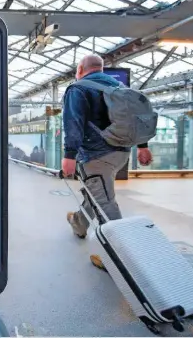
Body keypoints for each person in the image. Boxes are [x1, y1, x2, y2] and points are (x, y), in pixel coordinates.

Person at [61, 54, 153, 271]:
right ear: (101, 69)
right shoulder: (119, 87)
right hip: (121, 153)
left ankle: (118, 257)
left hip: (96, 156)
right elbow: (137, 118)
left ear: (81, 69)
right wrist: (142, 146)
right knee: (97, 191)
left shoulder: (78, 88)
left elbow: (73, 123)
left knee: (105, 203)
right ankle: (78, 223)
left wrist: (69, 156)